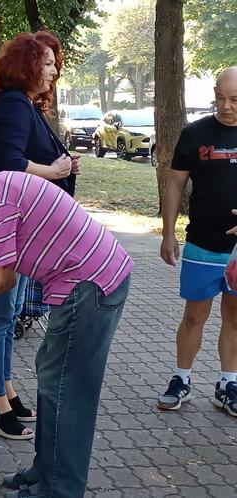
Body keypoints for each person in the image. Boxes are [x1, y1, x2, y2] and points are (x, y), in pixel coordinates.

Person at [0, 158, 132, 498]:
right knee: (52, 379)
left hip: (88, 285)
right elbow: (1, 276)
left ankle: (59, 490)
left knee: (67, 393)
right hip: (88, 281)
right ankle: (46, 470)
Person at [0, 30, 81, 440]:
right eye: (48, 64)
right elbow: (7, 162)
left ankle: (6, 388)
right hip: (6, 229)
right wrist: (53, 171)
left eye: (55, 64)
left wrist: (62, 165)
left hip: (21, 230)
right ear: (27, 65)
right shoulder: (13, 107)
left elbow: (29, 158)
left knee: (10, 314)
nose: (54, 71)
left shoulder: (24, 106)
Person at [157, 67, 237, 418]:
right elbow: (175, 184)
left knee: (234, 318)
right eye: (220, 98)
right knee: (195, 316)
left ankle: (228, 384)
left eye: (234, 100)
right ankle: (181, 379)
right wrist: (167, 232)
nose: (226, 106)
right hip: (202, 245)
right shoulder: (195, 133)